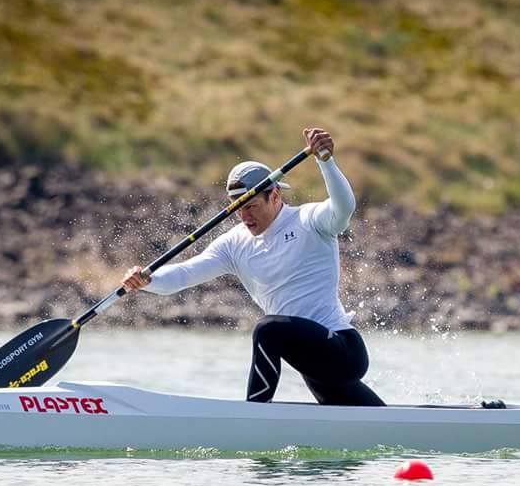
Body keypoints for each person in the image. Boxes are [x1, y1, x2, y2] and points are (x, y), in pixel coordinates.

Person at [121, 128, 385, 406]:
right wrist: (148, 280)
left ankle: (255, 411)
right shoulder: (234, 244)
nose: (244, 216)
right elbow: (184, 274)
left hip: (342, 350)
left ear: (274, 197)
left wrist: (325, 161)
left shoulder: (310, 221)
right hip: (311, 364)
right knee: (380, 425)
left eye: (251, 206)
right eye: (237, 207)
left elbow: (343, 208)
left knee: (267, 329)